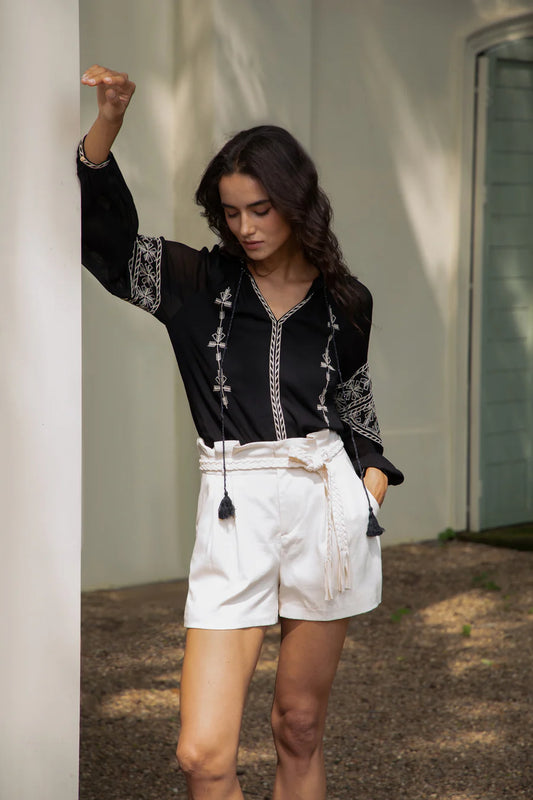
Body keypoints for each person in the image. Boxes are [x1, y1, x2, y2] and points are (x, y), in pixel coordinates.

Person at [78, 64, 403, 800]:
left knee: (298, 725)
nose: (246, 228)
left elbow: (355, 407)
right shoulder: (194, 282)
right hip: (235, 508)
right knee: (202, 754)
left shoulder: (347, 302)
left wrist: (369, 487)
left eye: (261, 209)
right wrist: (108, 129)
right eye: (231, 213)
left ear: (297, 203)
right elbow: (106, 244)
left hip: (326, 504)